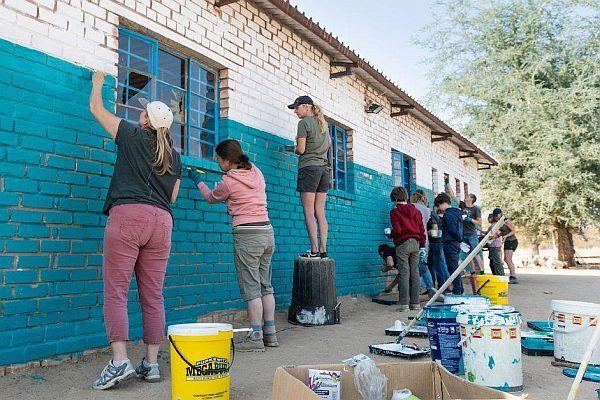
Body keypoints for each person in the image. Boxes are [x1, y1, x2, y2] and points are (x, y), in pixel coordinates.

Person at [89, 72, 182, 389]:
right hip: (162, 223)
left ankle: (119, 362)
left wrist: (98, 84)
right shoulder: (173, 154)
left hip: (129, 216)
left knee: (116, 292)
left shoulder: (131, 134)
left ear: (145, 119)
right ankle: (152, 365)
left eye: (141, 112)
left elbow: (97, 112)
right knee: (153, 296)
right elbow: (173, 197)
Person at [189, 140, 277, 352]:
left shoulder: (228, 181)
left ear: (227, 161)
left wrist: (198, 181)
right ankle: (270, 334)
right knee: (266, 284)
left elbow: (211, 198)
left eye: (219, 159)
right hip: (267, 232)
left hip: (247, 235)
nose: (217, 163)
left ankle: (255, 337)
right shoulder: (256, 171)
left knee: (252, 288)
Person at [288, 96, 331, 259]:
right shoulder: (323, 125)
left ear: (306, 107)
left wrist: (292, 149)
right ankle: (323, 250)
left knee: (308, 210)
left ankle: (313, 250)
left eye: (296, 108)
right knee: (320, 211)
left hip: (309, 168)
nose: (295, 111)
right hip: (323, 170)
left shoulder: (304, 123)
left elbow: (301, 149)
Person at [390, 187, 427, 311]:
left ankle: (404, 304)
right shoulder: (417, 212)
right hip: (416, 244)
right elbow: (422, 230)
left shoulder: (395, 212)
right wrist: (422, 246)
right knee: (415, 273)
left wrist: (390, 234)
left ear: (395, 199)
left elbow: (397, 230)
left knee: (404, 274)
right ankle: (416, 303)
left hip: (403, 244)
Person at [446, 185, 483, 293]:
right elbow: (453, 196)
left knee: (475, 252)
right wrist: (448, 185)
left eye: (468, 195)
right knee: (467, 255)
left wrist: (469, 219)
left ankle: (481, 271)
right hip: (462, 233)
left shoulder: (476, 209)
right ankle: (472, 272)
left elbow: (479, 222)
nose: (466, 196)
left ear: (471, 199)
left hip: (471, 233)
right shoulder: (462, 205)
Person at [436, 193, 464, 295]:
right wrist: (460, 239)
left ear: (442, 203)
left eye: (439, 206)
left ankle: (457, 290)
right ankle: (459, 289)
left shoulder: (447, 215)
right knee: (455, 266)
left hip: (450, 243)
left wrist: (457, 238)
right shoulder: (457, 212)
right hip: (456, 243)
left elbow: (452, 229)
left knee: (452, 268)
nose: (440, 209)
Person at [411, 190, 436, 297]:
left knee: (415, 265)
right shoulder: (427, 210)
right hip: (425, 240)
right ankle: (431, 288)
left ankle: (418, 289)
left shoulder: (411, 207)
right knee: (423, 265)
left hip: (414, 238)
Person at [492, 208, 519, 283]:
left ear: (500, 214)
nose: (495, 217)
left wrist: (506, 236)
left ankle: (513, 277)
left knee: (508, 259)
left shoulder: (506, 221)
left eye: (496, 216)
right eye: (495, 216)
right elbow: (502, 233)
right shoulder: (499, 222)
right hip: (507, 241)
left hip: (512, 241)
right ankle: (512, 275)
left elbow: (514, 230)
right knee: (506, 259)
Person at [428, 202, 451, 289]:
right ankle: (440, 287)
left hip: (435, 243)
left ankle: (440, 287)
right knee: (438, 265)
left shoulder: (433, 215)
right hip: (439, 243)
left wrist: (429, 232)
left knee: (438, 266)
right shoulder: (439, 217)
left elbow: (435, 229)